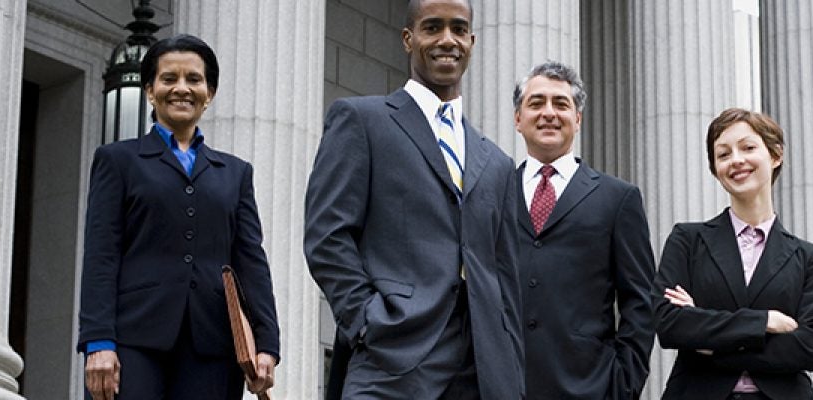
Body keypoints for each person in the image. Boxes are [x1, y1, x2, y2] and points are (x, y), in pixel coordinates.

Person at [303, 0, 523, 398]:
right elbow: (327, 235)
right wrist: (367, 320)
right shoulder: (361, 120)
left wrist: (510, 364)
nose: (447, 40)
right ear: (408, 39)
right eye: (432, 27)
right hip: (391, 360)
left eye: (458, 29)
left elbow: (506, 275)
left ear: (472, 42)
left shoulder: (498, 163)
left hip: (482, 373)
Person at [77, 34, 279, 400]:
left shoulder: (235, 173)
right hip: (132, 339)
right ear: (150, 91)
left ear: (209, 93)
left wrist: (266, 343)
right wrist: (98, 341)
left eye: (194, 79)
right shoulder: (118, 161)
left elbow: (251, 261)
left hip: (212, 345)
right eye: (169, 79)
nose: (181, 88)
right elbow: (101, 255)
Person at [654, 108, 813, 400]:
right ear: (715, 169)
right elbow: (671, 324)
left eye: (748, 148)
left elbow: (811, 348)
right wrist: (763, 322)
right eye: (723, 154)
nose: (736, 160)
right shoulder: (687, 241)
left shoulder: (809, 257)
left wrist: (710, 341)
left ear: (775, 156)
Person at [510, 61, 655, 399]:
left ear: (578, 119)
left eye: (561, 104)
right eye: (536, 103)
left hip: (588, 387)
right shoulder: (493, 192)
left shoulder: (618, 198)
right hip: (503, 385)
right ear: (518, 119)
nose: (549, 113)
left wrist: (623, 384)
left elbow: (639, 300)